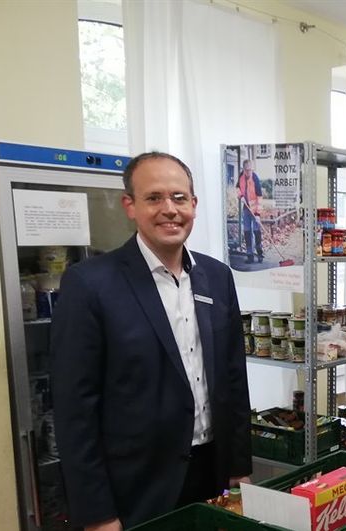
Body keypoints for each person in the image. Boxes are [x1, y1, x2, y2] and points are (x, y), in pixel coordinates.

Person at [52, 152, 252, 530]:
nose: (169, 209)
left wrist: (239, 469)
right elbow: (74, 410)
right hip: (137, 489)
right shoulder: (90, 284)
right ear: (130, 206)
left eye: (179, 198)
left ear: (194, 204)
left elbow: (233, 379)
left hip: (212, 472)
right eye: (154, 198)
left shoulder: (217, 276)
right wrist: (97, 513)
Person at [237, 159, 264, 263]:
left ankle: (260, 254)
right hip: (246, 209)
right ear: (244, 169)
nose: (249, 172)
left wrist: (258, 214)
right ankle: (250, 255)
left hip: (255, 209)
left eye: (250, 170)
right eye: (247, 170)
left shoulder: (255, 178)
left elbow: (259, 197)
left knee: (257, 231)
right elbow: (237, 187)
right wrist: (240, 196)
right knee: (247, 232)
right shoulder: (241, 176)